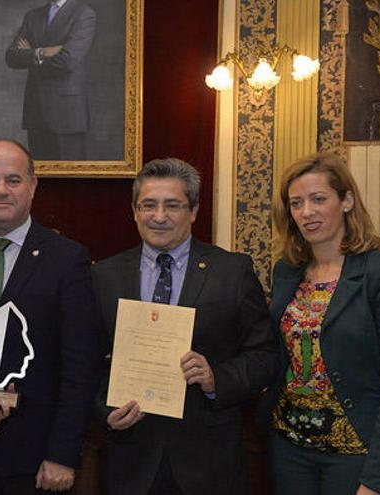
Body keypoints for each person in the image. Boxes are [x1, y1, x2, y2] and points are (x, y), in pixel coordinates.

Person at [92, 157, 278, 494]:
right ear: (134, 210)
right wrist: (105, 409)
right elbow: (86, 361)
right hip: (131, 459)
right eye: (148, 205)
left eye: (173, 205)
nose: (159, 216)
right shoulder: (104, 275)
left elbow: (265, 354)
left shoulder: (232, 271)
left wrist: (215, 378)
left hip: (210, 461)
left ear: (193, 211)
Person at [268, 152, 380, 495]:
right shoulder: (286, 272)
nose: (307, 212)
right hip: (290, 450)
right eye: (296, 203)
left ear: (347, 200)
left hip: (357, 452)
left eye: (318, 199)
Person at [0, 139, 100, 493]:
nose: (1, 190)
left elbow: (79, 365)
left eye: (13, 180)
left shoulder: (67, 259)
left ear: (33, 186)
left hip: (33, 459)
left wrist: (62, 453)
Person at [5, 0, 96, 161]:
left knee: (69, 181)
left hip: (67, 114)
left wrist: (31, 54)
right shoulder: (33, 16)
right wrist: (42, 52)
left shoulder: (84, 14)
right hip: (35, 111)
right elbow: (11, 57)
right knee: (41, 178)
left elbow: (67, 61)